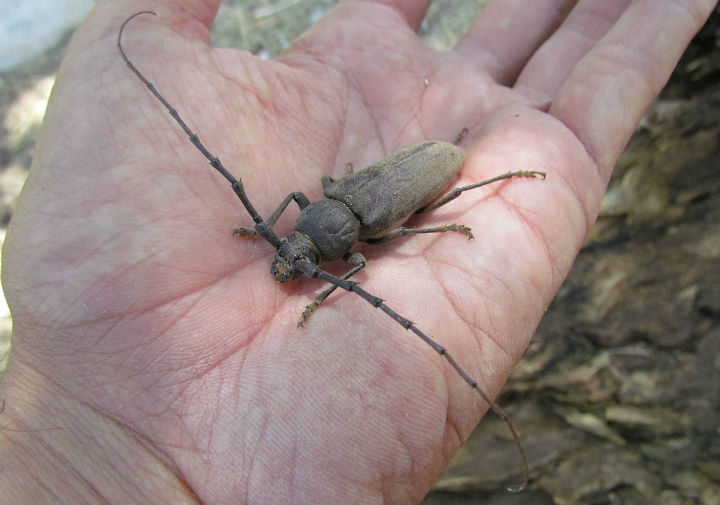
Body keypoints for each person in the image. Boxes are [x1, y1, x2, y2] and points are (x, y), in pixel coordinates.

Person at [0, 0, 715, 502]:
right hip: (373, 188)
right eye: (292, 249)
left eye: (294, 252)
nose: (290, 256)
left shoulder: (360, 239)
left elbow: (362, 252)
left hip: (416, 176)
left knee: (442, 214)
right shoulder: (316, 219)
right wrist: (267, 233)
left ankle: (507, 172)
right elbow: (301, 223)